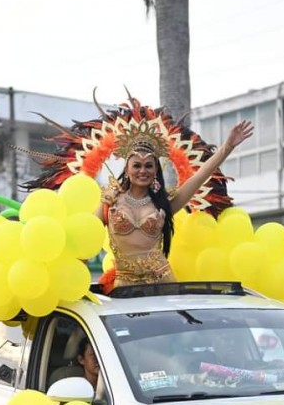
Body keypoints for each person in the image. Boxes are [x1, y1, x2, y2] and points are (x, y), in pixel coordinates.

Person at [99, 120, 254, 288]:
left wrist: (227, 147)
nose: (143, 171)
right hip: (124, 286)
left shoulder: (164, 203)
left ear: (156, 171)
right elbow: (88, 234)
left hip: (162, 284)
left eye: (149, 166)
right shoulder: (111, 200)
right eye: (137, 165)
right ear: (127, 170)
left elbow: (199, 177)